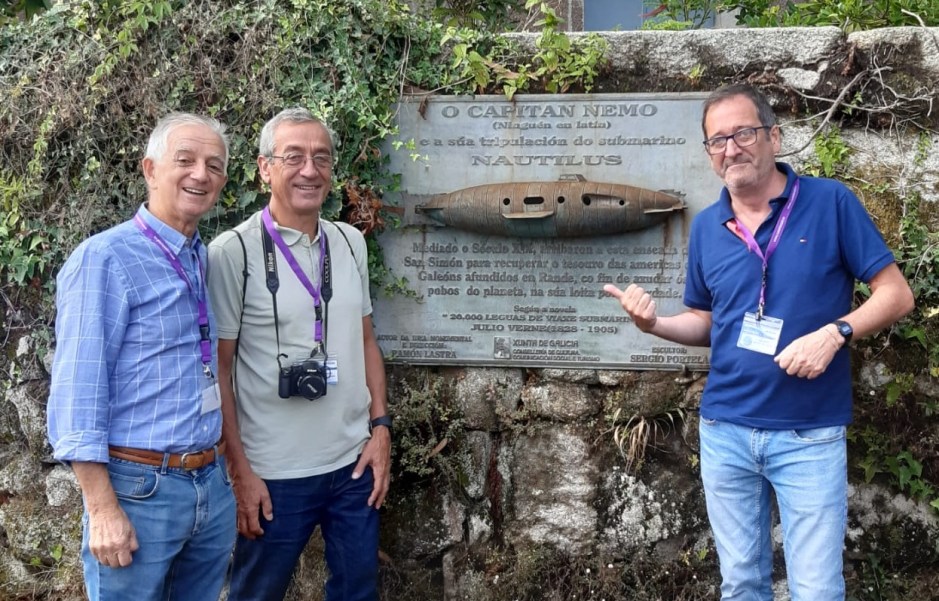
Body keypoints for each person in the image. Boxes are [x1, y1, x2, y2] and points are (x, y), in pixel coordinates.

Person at [605, 83, 914, 601]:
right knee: (742, 585)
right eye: (717, 140)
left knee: (816, 590)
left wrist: (836, 333)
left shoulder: (830, 203)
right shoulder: (707, 227)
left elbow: (897, 294)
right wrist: (653, 324)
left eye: (743, 133)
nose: (731, 148)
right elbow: (706, 322)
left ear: (773, 136)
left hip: (808, 436)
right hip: (725, 431)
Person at [47, 113, 236, 601]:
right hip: (139, 491)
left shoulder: (199, 256)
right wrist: (102, 507)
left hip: (209, 487)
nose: (201, 174)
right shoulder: (104, 259)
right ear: (150, 170)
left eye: (214, 165)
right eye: (185, 160)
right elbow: (78, 391)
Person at [207, 107, 390, 601]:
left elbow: (366, 340)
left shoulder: (350, 242)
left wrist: (381, 429)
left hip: (353, 466)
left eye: (321, 158)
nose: (310, 170)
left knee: (357, 592)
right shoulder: (234, 252)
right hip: (273, 475)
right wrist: (240, 472)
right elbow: (218, 370)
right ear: (265, 168)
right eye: (294, 157)